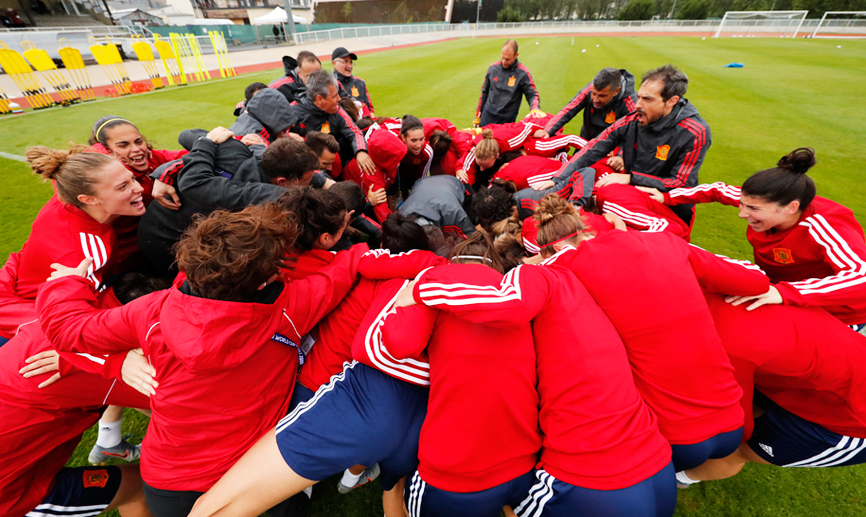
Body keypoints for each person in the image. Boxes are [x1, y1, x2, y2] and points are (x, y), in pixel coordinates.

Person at [38, 203, 369, 517]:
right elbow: (345, 269)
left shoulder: (152, 310)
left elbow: (67, 329)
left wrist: (67, 282)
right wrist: (359, 249)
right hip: (255, 477)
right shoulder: (291, 307)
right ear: (263, 279)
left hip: (169, 485)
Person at [399, 248, 676, 516]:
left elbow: (510, 305)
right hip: (656, 459)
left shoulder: (535, 275)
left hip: (588, 477)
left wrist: (421, 289)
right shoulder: (582, 289)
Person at [528, 194, 772, 472]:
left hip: (667, 435)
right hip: (731, 417)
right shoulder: (663, 241)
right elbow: (755, 280)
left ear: (554, 248)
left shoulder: (563, 268)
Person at [0, 145, 147, 464]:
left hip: (30, 296)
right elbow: (77, 324)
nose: (137, 187)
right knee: (133, 370)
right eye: (124, 186)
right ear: (88, 199)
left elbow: (91, 157)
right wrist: (76, 358)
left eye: (131, 178)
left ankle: (109, 437)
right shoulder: (81, 256)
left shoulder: (71, 179)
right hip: (31, 316)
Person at [384, 233, 539, 517]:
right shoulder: (520, 295)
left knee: (395, 481)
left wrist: (399, 304)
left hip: (452, 478)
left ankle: (386, 486)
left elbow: (399, 344)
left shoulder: (435, 287)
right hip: (524, 468)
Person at [643, 147, 866, 329]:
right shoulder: (762, 201)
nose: (742, 213)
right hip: (784, 293)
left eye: (752, 209)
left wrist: (783, 292)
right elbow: (718, 190)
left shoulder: (824, 227)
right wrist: (666, 197)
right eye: (742, 204)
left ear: (791, 208)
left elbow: (861, 277)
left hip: (838, 312)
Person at [0, 272, 160, 517]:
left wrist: (68, 281)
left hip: (14, 466)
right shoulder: (105, 372)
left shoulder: (39, 320)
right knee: (140, 487)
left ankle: (110, 441)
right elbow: (182, 400)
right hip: (9, 495)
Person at [678, 295, 866, 487]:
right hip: (810, 380)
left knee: (736, 450)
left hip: (849, 423)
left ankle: (677, 478)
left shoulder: (727, 344)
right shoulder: (715, 294)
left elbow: (733, 421)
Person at [138, 127, 318, 274]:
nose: (306, 188)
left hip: (159, 225)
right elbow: (194, 180)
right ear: (282, 182)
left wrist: (207, 142)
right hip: (164, 242)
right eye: (306, 183)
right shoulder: (250, 197)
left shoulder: (234, 148)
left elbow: (187, 134)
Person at [563, 64, 712, 229]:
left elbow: (680, 183)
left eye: (647, 99)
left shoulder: (695, 131)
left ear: (671, 101)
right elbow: (594, 147)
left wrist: (630, 178)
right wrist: (556, 179)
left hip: (670, 210)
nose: (637, 104)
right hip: (631, 200)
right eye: (639, 97)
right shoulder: (633, 119)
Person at [290, 70, 374, 175]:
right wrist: (288, 135)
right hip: (306, 171)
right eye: (334, 96)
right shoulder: (292, 112)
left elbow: (354, 131)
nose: (339, 99)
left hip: (336, 169)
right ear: (320, 99)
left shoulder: (337, 110)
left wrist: (361, 151)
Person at [535, 68, 637, 141]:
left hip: (611, 146)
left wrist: (619, 154)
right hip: (586, 139)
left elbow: (634, 132)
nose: (595, 99)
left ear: (616, 91)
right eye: (594, 94)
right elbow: (569, 109)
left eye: (602, 96)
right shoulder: (589, 89)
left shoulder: (630, 103)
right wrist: (547, 130)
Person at [475, 39, 541, 126]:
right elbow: (484, 92)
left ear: (516, 55)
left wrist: (535, 108)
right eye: (503, 58)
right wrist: (478, 115)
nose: (504, 62)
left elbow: (532, 94)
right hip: (487, 117)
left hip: (506, 121)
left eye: (508, 59)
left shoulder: (523, 73)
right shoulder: (492, 68)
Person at [398, 175, 475, 240]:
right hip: (422, 183)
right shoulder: (402, 217)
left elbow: (471, 235)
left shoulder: (453, 211)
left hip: (451, 182)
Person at [332, 47, 375, 118]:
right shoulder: (328, 85)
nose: (350, 66)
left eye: (351, 62)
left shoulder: (360, 82)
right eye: (345, 61)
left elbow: (369, 109)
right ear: (335, 64)